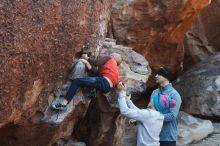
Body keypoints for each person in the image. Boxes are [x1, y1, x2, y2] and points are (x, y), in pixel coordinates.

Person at [51, 53, 122, 111]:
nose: (111, 54)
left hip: (103, 81)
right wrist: (87, 64)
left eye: (112, 54)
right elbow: (97, 72)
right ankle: (93, 91)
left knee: (76, 81)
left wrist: (87, 57)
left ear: (113, 56)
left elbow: (97, 63)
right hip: (107, 88)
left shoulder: (110, 58)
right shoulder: (114, 71)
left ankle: (63, 104)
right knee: (95, 80)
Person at [117, 82, 176, 146]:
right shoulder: (159, 116)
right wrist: (128, 102)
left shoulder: (148, 114)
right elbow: (141, 113)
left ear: (155, 104)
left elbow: (125, 111)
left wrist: (122, 93)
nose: (150, 100)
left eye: (152, 99)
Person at [151, 67, 182, 146]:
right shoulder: (154, 92)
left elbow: (172, 116)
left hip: (167, 137)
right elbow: (150, 110)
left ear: (166, 76)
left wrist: (154, 117)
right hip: (152, 136)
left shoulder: (174, 94)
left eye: (159, 74)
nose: (156, 76)